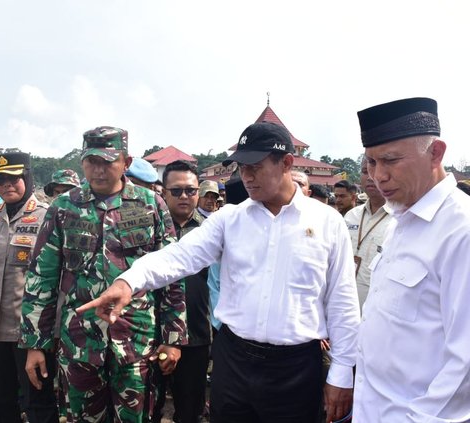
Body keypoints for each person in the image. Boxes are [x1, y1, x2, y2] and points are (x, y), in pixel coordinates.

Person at [78, 121, 360, 423]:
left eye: (255, 167)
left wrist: (342, 373)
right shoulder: (230, 220)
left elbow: (342, 302)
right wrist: (128, 281)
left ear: (287, 163)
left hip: (295, 367)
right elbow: (179, 256)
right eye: (241, 167)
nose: (245, 177)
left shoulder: (328, 223)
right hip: (235, 360)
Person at [19, 126, 187, 422]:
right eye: (90, 161)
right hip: (79, 343)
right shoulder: (63, 208)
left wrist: (172, 337)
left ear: (126, 162)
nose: (98, 170)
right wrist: (35, 344)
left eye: (107, 161)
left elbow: (171, 272)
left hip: (137, 342)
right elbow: (41, 278)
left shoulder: (151, 205)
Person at [352, 97, 470, 421]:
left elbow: (465, 365)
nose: (378, 176)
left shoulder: (460, 230)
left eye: (390, 160)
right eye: (371, 163)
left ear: (436, 153)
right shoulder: (401, 221)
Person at [0, 151, 59, 423]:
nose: (7, 185)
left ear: (28, 178)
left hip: (30, 333)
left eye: (14, 178)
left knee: (38, 403)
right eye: (1, 180)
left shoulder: (48, 218)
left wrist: (46, 337)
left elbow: (56, 279)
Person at [153, 160, 212, 423]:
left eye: (190, 190)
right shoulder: (148, 229)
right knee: (147, 407)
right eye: (176, 191)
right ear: (163, 192)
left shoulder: (211, 230)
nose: (184, 196)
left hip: (196, 335)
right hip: (151, 332)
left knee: (190, 411)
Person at [344, 157, 391, 312]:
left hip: (378, 313)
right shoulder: (351, 216)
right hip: (344, 310)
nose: (371, 177)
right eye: (365, 171)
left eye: (377, 171)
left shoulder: (400, 220)